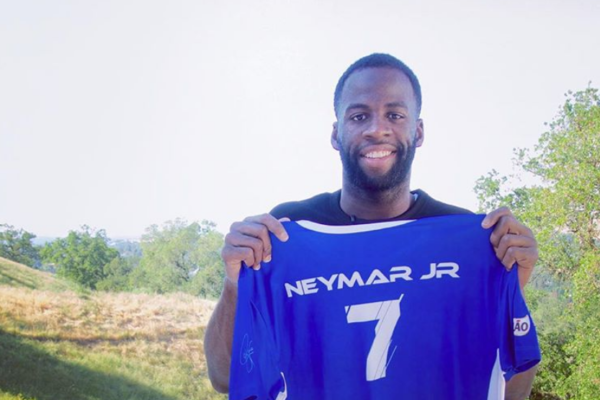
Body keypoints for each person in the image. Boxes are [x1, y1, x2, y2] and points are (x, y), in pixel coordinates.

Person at [204, 53, 539, 399]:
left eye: (394, 115)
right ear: (336, 134)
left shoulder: (466, 240)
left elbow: (510, 390)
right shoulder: (287, 232)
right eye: (359, 116)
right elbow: (224, 376)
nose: (377, 129)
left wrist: (512, 286)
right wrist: (236, 285)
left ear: (418, 131)